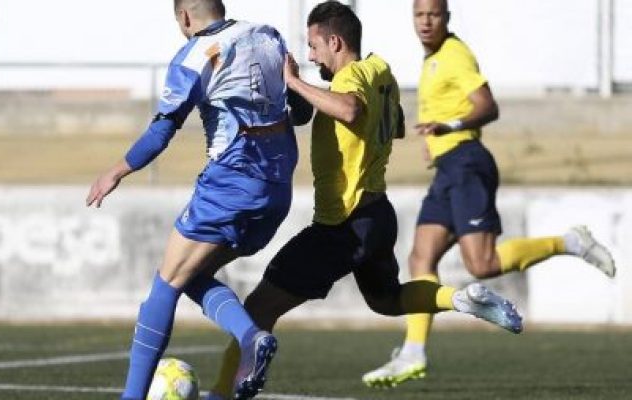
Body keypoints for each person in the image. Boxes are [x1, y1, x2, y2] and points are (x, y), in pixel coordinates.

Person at [204, 2, 524, 399]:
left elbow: (350, 108)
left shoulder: (350, 79)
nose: (311, 56)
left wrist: (293, 82)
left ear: (335, 42)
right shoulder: (380, 70)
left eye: (314, 46)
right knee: (386, 300)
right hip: (376, 216)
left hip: (343, 223)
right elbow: (397, 124)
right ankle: (462, 299)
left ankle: (219, 393)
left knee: (257, 309)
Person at [361, 0, 617, 388]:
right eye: (419, 15)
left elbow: (488, 106)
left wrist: (450, 127)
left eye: (433, 14)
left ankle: (569, 242)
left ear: (447, 17)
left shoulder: (455, 54)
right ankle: (413, 352)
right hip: (448, 169)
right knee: (420, 258)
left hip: (467, 164)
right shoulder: (431, 60)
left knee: (481, 264)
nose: (426, 22)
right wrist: (435, 143)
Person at [85, 1, 312, 399]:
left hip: (230, 184)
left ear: (185, 17)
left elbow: (161, 132)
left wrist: (116, 171)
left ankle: (134, 395)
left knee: (166, 284)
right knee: (190, 276)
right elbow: (303, 111)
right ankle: (251, 338)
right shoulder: (268, 37)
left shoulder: (192, 57)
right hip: (277, 191)